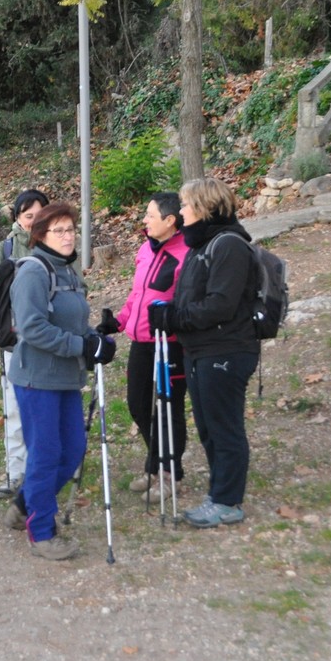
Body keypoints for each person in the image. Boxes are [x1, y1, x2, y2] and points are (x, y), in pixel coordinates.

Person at [6, 202, 116, 561]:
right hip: (36, 379)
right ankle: (41, 532)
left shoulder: (68, 271)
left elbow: (73, 322)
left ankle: (25, 504)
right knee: (46, 454)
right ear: (41, 236)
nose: (68, 236)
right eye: (59, 231)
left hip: (66, 376)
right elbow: (32, 327)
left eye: (71, 229)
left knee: (72, 451)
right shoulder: (33, 272)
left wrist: (95, 340)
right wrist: (80, 346)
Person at [149, 178, 260, 529]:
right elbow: (193, 298)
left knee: (224, 427)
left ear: (204, 207)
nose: (181, 211)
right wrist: (170, 314)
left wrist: (174, 318)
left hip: (226, 349)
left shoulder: (228, 245)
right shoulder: (202, 245)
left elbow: (220, 305)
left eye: (185, 205)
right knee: (210, 427)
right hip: (200, 349)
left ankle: (227, 502)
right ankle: (219, 494)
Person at [115, 192, 189, 495]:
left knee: (169, 410)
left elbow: (188, 303)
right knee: (138, 405)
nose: (144, 220)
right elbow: (137, 294)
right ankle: (157, 463)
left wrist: (172, 320)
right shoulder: (146, 249)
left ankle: (170, 474)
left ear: (170, 220)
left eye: (150, 215)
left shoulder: (187, 253)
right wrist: (118, 321)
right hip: (141, 342)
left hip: (170, 344)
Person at [0, 189, 48, 499]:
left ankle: (46, 469)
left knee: (47, 407)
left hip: (48, 340)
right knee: (15, 409)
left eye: (39, 215)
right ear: (18, 217)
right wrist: (0, 296)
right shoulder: (4, 248)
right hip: (14, 340)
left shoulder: (56, 243)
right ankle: (16, 472)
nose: (33, 221)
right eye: (28, 216)